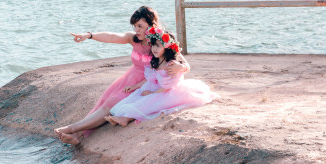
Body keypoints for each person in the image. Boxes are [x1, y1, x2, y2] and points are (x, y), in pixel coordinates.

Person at [55, 31, 215, 145]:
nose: (154, 48)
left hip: (166, 92)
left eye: (158, 46)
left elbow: (172, 80)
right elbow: (150, 77)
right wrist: (138, 86)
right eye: (153, 45)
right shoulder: (153, 57)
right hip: (148, 85)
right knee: (122, 104)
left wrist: (181, 68)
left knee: (144, 102)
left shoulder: (171, 64)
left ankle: (124, 118)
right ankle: (78, 130)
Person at [66, 6, 188, 142]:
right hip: (129, 78)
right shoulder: (133, 38)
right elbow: (112, 37)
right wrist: (89, 36)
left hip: (146, 82)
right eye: (134, 26)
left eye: (140, 26)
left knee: (111, 105)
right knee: (105, 102)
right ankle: (78, 134)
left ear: (151, 24)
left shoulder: (160, 40)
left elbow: (185, 64)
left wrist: (180, 67)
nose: (136, 30)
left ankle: (74, 130)